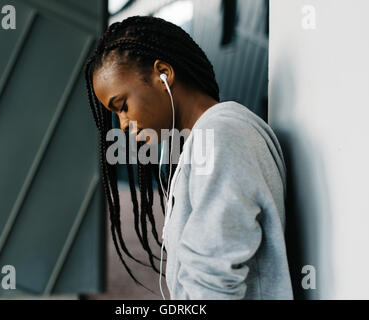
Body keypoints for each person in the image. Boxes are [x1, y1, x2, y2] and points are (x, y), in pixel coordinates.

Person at [83, 15, 293, 299]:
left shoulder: (222, 135)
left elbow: (212, 282)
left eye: (122, 105)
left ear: (163, 74)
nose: (122, 124)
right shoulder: (204, 139)